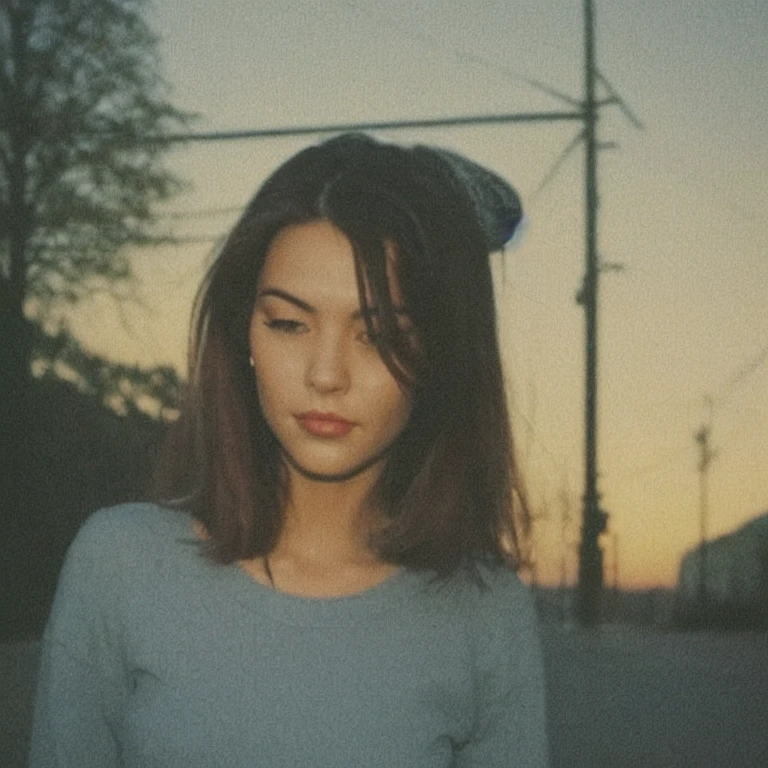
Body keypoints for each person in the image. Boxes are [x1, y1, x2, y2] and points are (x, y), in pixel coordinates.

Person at [29, 133, 550, 767]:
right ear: (244, 332)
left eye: (378, 334)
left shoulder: (485, 616)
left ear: (441, 357)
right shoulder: (118, 567)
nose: (325, 374)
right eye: (288, 323)